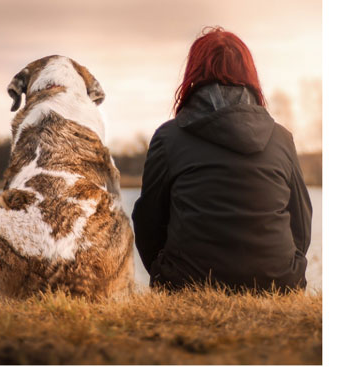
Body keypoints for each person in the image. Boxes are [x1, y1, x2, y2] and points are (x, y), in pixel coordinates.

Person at [132, 27, 312, 292]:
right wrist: (286, 269)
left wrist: (165, 273)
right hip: (278, 283)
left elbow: (148, 222)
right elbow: (301, 223)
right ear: (249, 75)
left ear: (193, 74)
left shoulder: (169, 138)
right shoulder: (281, 139)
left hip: (187, 283)